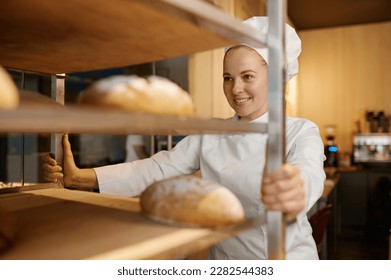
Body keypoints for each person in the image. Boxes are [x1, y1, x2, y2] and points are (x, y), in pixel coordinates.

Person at [42, 16, 326, 260]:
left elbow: (309, 172)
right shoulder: (213, 132)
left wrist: (295, 188)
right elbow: (158, 168)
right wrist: (79, 177)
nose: (235, 88)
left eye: (247, 76)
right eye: (228, 77)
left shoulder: (301, 131)